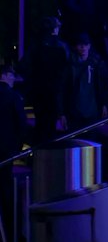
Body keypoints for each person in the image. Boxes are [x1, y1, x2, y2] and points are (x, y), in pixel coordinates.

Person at [23, 16, 68, 142]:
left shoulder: (35, 45)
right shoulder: (61, 46)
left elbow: (24, 65)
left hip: (38, 91)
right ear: (55, 29)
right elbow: (66, 70)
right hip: (54, 91)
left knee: (40, 123)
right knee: (51, 125)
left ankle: (39, 153)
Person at [0, 63, 28, 241]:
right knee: (6, 191)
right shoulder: (13, 97)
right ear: (4, 75)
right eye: (11, 75)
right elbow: (21, 124)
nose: (13, 79)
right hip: (6, 150)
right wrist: (18, 147)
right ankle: (11, 232)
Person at [60, 34, 108, 131]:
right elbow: (62, 90)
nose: (83, 47)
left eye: (85, 44)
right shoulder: (69, 66)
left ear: (89, 46)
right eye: (80, 45)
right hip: (74, 112)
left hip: (92, 112)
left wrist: (104, 104)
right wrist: (62, 113)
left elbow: (103, 85)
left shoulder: (97, 63)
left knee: (91, 140)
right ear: (75, 47)